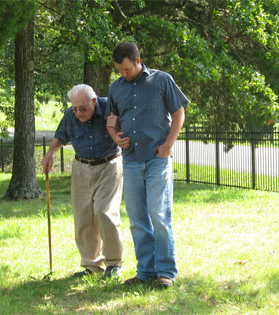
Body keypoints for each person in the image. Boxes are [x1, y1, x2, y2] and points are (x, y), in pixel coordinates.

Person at [106, 41, 189, 288]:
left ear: (138, 61)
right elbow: (112, 122)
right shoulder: (116, 88)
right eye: (120, 71)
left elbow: (179, 112)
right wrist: (116, 138)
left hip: (157, 160)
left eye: (127, 70)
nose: (124, 74)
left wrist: (169, 145)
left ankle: (166, 272)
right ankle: (145, 272)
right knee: (138, 219)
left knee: (159, 214)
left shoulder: (162, 80)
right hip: (130, 161)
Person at [42, 84, 124, 279]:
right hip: (82, 167)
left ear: (93, 102)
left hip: (109, 164)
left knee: (104, 212)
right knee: (83, 216)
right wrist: (50, 153)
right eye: (75, 108)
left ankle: (114, 263)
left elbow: (125, 129)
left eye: (83, 108)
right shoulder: (70, 115)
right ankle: (92, 266)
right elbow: (60, 136)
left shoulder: (109, 108)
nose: (78, 113)